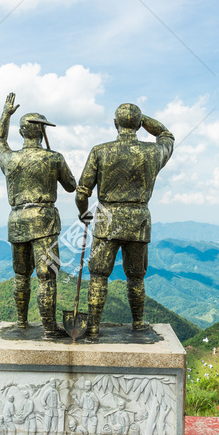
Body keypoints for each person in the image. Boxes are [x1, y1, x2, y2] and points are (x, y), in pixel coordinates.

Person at [75, 103, 173, 336]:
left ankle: (94, 326)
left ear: (115, 123)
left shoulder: (100, 151)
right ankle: (138, 323)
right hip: (138, 222)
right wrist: (139, 119)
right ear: (139, 125)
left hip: (106, 221)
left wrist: (83, 213)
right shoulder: (152, 152)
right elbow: (166, 134)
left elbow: (82, 192)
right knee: (136, 276)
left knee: (98, 275)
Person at [0, 92, 77, 337]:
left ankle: (21, 322)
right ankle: (49, 328)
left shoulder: (11, 159)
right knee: (47, 277)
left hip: (17, 220)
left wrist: (5, 115)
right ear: (42, 133)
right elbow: (72, 185)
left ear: (21, 132)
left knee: (21, 274)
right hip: (44, 221)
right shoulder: (54, 158)